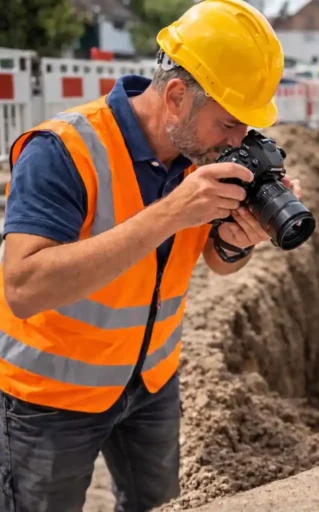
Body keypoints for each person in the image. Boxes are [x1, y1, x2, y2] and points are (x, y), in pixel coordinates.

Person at [0, 1, 299, 510]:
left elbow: (217, 263)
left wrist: (237, 240)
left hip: (152, 382)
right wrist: (170, 213)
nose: (236, 141)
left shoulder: (201, 154)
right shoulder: (63, 150)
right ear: (177, 96)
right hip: (51, 397)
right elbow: (23, 289)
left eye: (245, 129)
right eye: (228, 124)